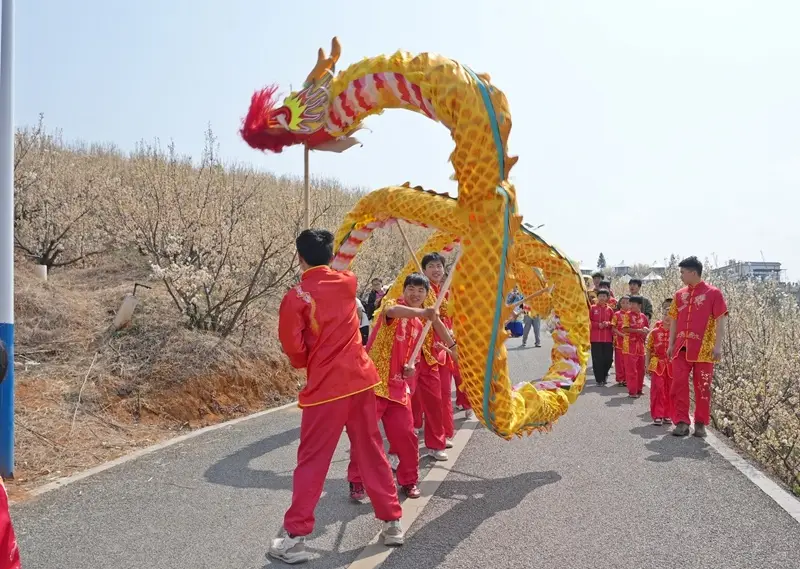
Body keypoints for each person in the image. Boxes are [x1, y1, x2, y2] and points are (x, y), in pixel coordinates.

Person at [269, 229, 404, 564]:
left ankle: (295, 537)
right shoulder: (348, 283)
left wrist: (307, 362)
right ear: (331, 256)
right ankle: (392, 522)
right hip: (360, 380)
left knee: (313, 459)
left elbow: (293, 345)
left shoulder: (297, 296)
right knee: (371, 449)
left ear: (299, 256)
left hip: (326, 389)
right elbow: (343, 269)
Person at [348, 273, 453, 501]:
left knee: (406, 436)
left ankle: (409, 480)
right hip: (372, 385)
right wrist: (424, 312)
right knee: (364, 435)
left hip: (397, 388)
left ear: (427, 294)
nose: (415, 294)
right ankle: (356, 480)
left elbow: (414, 356)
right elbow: (394, 313)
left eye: (420, 291)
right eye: (411, 289)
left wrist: (411, 368)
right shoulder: (391, 304)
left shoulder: (420, 324)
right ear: (403, 291)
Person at [667, 256, 728, 438]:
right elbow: (674, 321)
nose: (681, 276)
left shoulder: (713, 293)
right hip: (681, 347)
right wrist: (671, 344)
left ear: (693, 272)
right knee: (678, 384)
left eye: (683, 272)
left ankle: (700, 423)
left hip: (705, 349)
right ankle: (682, 422)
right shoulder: (679, 294)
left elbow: (721, 321)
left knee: (703, 386)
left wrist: (718, 347)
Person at [418, 252, 458, 455]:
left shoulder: (447, 290)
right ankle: (397, 451)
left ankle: (439, 438)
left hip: (440, 350)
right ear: (423, 269)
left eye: (439, 266)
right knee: (412, 402)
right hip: (417, 352)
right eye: (431, 266)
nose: (436, 270)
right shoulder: (419, 290)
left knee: (440, 396)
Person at [645, 299, 674, 425]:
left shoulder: (677, 333)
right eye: (665, 314)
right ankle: (657, 414)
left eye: (671, 315)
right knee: (658, 389)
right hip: (657, 362)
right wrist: (647, 365)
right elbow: (648, 349)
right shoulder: (654, 332)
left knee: (670, 389)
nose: (667, 317)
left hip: (672, 364)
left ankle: (668, 414)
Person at [623, 296, 650, 397]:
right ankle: (632, 391)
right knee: (631, 370)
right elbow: (625, 329)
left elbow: (647, 327)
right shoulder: (627, 315)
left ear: (639, 305)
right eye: (630, 304)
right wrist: (638, 331)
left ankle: (639, 389)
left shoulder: (643, 316)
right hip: (629, 346)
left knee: (640, 369)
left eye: (633, 304)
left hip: (640, 346)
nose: (630, 306)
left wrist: (646, 331)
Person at [589, 290, 615, 385]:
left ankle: (604, 375)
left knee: (608, 358)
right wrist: (597, 325)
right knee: (597, 359)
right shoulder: (592, 308)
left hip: (607, 338)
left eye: (604, 296)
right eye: (600, 296)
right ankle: (599, 379)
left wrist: (607, 323)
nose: (602, 298)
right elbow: (588, 321)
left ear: (607, 298)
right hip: (595, 338)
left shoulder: (610, 310)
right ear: (597, 297)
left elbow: (614, 322)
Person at [611, 296, 631, 386]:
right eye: (623, 302)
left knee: (628, 361)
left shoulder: (633, 315)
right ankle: (620, 379)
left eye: (627, 302)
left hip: (631, 342)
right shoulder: (617, 314)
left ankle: (628, 379)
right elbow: (613, 328)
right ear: (620, 303)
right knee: (619, 361)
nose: (625, 304)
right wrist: (621, 335)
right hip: (619, 341)